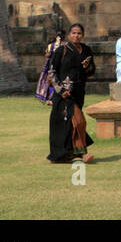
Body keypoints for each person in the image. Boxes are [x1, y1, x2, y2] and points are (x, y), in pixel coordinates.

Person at [46, 23, 97, 163]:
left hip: (79, 92)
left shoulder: (86, 50)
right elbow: (52, 72)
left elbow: (91, 71)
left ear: (83, 35)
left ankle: (64, 155)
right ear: (69, 35)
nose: (76, 36)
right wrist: (61, 90)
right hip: (64, 94)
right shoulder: (61, 50)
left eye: (79, 33)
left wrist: (87, 66)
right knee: (79, 121)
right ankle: (82, 154)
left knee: (69, 124)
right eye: (73, 33)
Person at [35, 31, 64, 104]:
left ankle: (54, 99)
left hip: (60, 66)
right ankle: (49, 98)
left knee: (57, 82)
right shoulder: (51, 45)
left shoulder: (64, 45)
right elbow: (47, 55)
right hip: (52, 66)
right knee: (50, 81)